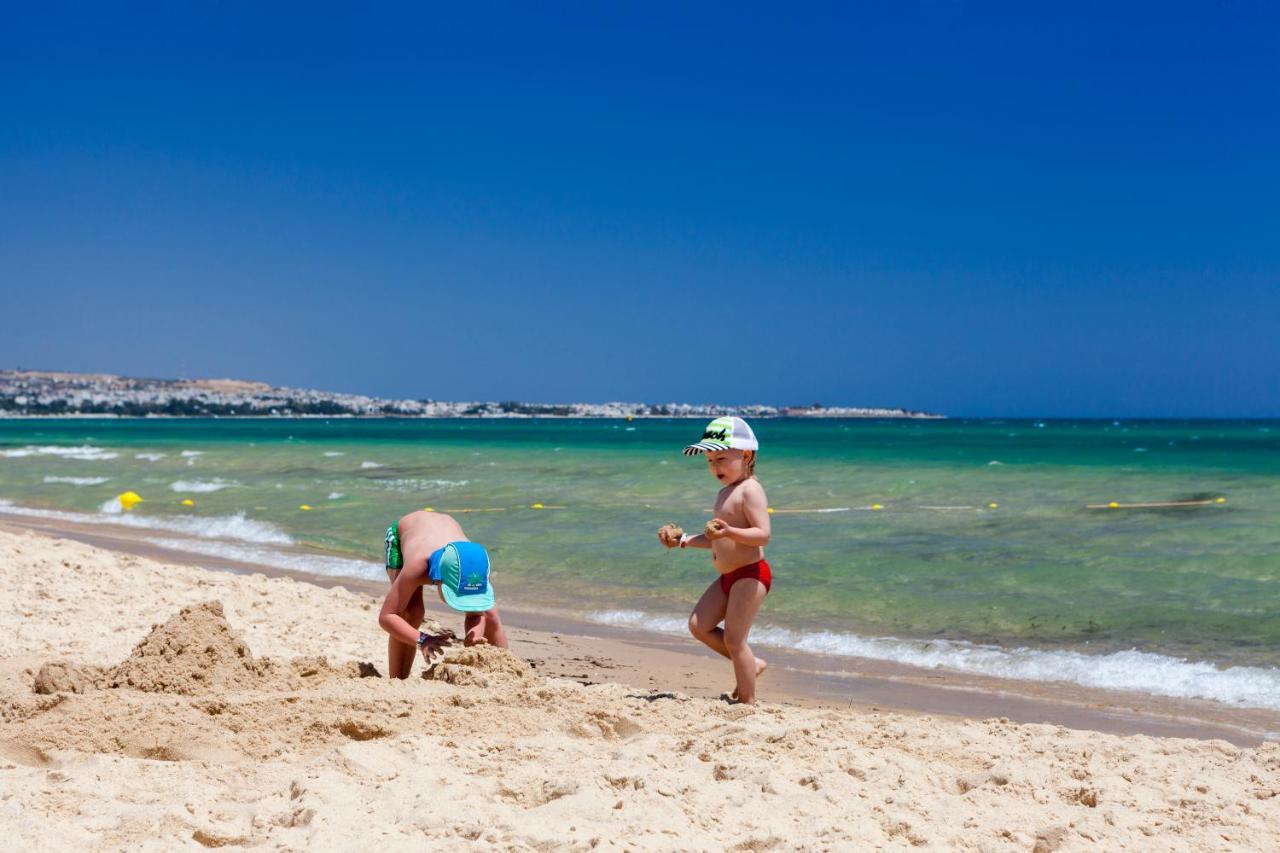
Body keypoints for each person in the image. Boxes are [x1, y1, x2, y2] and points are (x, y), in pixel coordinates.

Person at [658, 416, 772, 704]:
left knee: (735, 640)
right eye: (710, 461)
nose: (715, 466)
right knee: (699, 625)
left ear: (745, 455)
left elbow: (762, 534)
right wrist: (681, 541)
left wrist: (730, 530)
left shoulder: (750, 490)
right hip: (728, 576)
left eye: (721, 458)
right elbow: (714, 537)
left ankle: (747, 702)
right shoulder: (724, 493)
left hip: (750, 574)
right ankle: (751, 664)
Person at [378, 510, 508, 679]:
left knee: (491, 614)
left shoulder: (477, 565)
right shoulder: (417, 567)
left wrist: (474, 637)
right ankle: (397, 680)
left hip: (443, 538)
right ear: (439, 580)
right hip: (404, 535)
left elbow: (477, 614)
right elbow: (387, 617)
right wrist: (422, 639)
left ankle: (505, 672)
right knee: (410, 613)